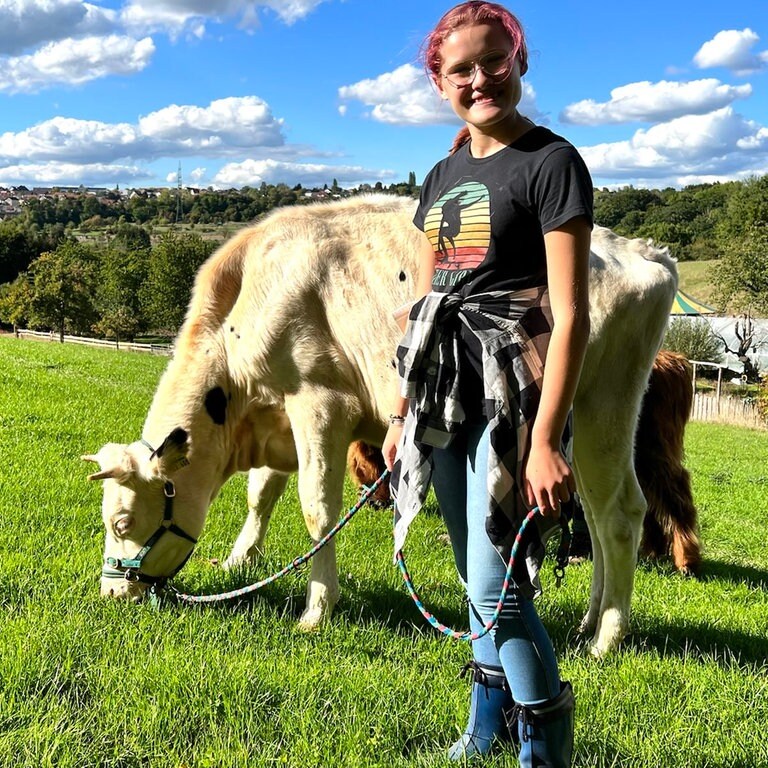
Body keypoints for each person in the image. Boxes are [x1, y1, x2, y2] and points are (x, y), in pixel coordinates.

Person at [381, 2, 593, 765]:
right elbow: (434, 300)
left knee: (496, 587)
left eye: (493, 61)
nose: (480, 79)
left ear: (519, 61)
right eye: (460, 69)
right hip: (445, 392)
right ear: (438, 80)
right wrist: (402, 412)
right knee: (476, 579)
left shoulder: (551, 162)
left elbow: (569, 316)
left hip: (514, 402)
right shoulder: (442, 172)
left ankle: (546, 748)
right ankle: (483, 729)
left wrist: (544, 441)